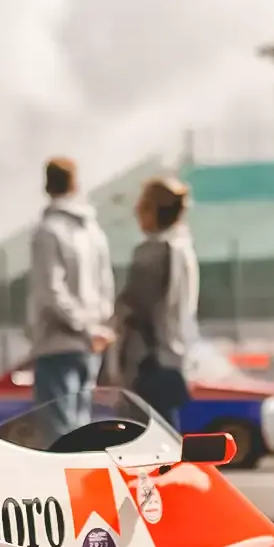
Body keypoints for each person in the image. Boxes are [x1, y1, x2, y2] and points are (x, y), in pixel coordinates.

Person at [27, 156, 114, 442]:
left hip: (58, 343)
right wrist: (96, 328)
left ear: (46, 186)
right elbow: (106, 285)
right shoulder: (93, 231)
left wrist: (82, 327)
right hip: (91, 345)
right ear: (75, 184)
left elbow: (50, 290)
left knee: (59, 435)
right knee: (82, 426)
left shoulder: (47, 231)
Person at [114, 176, 199, 431]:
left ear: (153, 210)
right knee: (167, 433)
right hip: (174, 354)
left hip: (148, 358)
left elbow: (135, 306)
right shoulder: (183, 249)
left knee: (146, 435)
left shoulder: (152, 252)